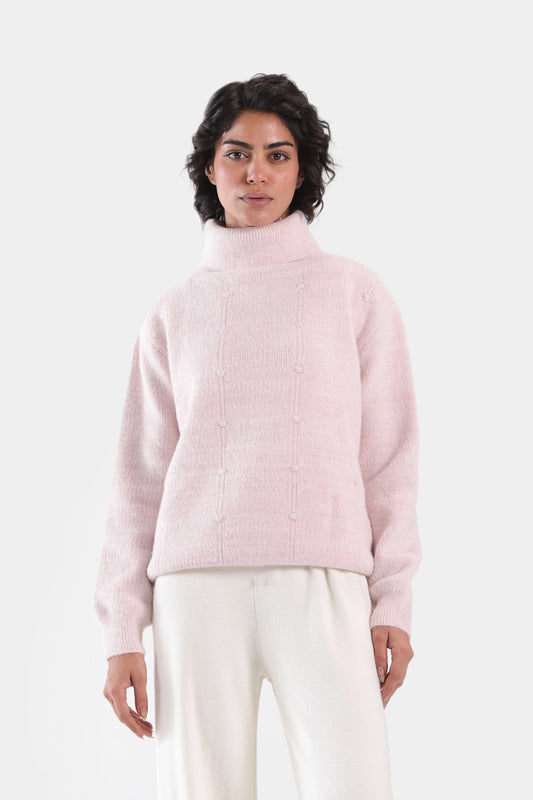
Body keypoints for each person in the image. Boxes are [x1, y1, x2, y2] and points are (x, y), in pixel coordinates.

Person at [94, 72, 422, 799]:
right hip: (195, 589)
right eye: (237, 154)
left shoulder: (352, 292)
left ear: (303, 171)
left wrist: (392, 601)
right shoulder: (174, 311)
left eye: (278, 155)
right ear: (209, 168)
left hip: (324, 578)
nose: (255, 173)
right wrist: (121, 631)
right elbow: (139, 478)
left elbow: (388, 459)